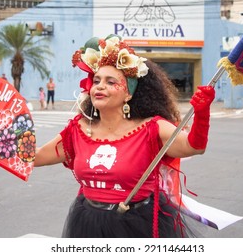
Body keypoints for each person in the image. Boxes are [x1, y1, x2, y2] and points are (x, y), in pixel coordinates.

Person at [32, 34, 216, 238]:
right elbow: (36, 156)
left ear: (128, 93)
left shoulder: (152, 128)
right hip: (87, 224)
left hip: (137, 226)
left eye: (111, 82)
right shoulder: (78, 129)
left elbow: (194, 146)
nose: (100, 86)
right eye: (96, 81)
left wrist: (202, 113)